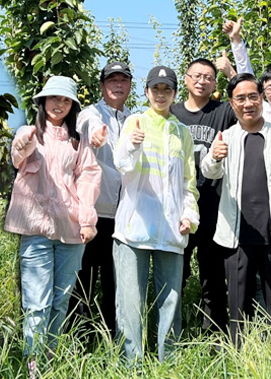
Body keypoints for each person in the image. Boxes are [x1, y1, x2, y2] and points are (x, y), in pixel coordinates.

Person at [200, 73, 271, 346]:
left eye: (252, 96)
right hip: (236, 236)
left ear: (261, 99)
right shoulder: (227, 137)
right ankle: (240, 358)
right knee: (238, 307)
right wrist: (214, 156)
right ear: (231, 103)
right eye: (240, 98)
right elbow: (209, 171)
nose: (247, 103)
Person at [5, 75, 101, 374]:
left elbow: (89, 178)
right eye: (54, 98)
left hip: (71, 228)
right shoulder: (29, 132)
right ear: (43, 101)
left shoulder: (78, 140)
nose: (59, 104)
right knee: (36, 302)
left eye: (66, 100)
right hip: (35, 227)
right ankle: (33, 366)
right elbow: (18, 156)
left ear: (72, 105)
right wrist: (23, 144)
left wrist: (87, 220)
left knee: (61, 300)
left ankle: (50, 358)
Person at [113, 66, 199, 361]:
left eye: (167, 90)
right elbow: (121, 164)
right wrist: (132, 144)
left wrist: (189, 215)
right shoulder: (135, 121)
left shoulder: (182, 133)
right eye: (156, 89)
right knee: (130, 301)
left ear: (175, 94)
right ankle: (131, 364)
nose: (161, 95)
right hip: (133, 227)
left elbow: (188, 182)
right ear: (147, 92)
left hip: (171, 229)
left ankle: (168, 362)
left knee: (170, 300)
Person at [170, 58, 237, 333]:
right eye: (196, 76)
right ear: (186, 79)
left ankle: (215, 336)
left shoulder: (223, 111)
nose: (201, 81)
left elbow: (250, 102)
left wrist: (231, 72)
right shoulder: (171, 112)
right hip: (179, 211)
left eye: (208, 77)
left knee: (213, 278)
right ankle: (172, 332)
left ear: (214, 83)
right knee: (176, 275)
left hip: (214, 210)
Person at [68, 62, 132, 337]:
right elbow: (90, 126)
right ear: (102, 86)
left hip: (123, 216)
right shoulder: (90, 113)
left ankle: (111, 336)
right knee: (84, 279)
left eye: (123, 80)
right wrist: (95, 136)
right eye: (112, 80)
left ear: (130, 85)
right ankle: (79, 338)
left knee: (114, 281)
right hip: (92, 214)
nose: (117, 85)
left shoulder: (133, 119)